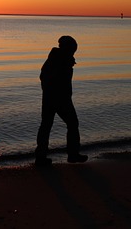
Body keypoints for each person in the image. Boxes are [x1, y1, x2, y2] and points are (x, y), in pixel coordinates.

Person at [35, 35, 88, 166]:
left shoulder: (59, 58)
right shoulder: (60, 59)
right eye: (73, 49)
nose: (74, 51)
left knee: (47, 125)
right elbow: (46, 77)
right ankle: (71, 154)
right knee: (71, 123)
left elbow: (44, 76)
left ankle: (42, 157)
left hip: (52, 97)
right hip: (58, 98)